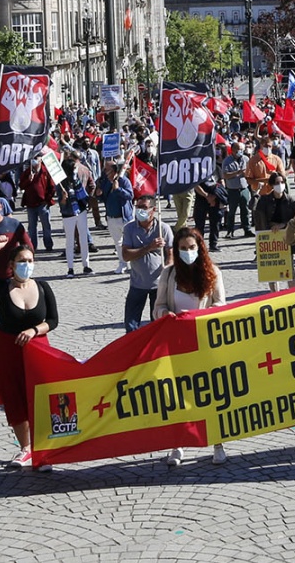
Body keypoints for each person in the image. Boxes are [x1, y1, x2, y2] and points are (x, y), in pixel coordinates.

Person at [0, 236, 56, 470]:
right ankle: (26, 448)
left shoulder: (42, 287)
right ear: (12, 264)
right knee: (14, 397)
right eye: (21, 261)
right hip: (6, 349)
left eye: (30, 260)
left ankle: (42, 448)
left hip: (37, 348)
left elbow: (53, 320)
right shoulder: (2, 287)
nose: (26, 265)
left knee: (39, 395)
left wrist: (33, 330)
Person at [153, 227, 230, 465]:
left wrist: (197, 316)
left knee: (211, 394)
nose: (188, 252)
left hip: (204, 343)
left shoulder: (213, 273)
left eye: (192, 248)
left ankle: (218, 442)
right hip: (177, 344)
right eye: (183, 249)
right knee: (179, 396)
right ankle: (177, 445)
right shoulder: (168, 275)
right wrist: (167, 314)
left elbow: (220, 305)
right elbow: (158, 307)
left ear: (200, 248)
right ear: (176, 250)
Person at [120, 195, 173, 331]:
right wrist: (149, 247)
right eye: (138, 207)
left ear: (153, 210)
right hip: (137, 284)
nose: (140, 211)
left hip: (158, 286)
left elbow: (171, 255)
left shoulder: (163, 228)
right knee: (131, 326)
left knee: (157, 326)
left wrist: (166, 274)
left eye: (144, 207)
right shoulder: (129, 229)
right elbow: (125, 256)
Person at [253, 172, 295, 290]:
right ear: (272, 185)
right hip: (270, 240)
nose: (280, 185)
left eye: (282, 182)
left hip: (285, 239)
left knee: (290, 270)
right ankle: (275, 296)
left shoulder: (291, 201)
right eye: (277, 183)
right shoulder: (264, 201)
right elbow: (259, 219)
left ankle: (294, 294)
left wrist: (283, 225)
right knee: (272, 273)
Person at [60, 172, 94, 276]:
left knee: (83, 239)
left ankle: (86, 265)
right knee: (70, 241)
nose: (75, 171)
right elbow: (61, 204)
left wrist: (88, 201)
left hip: (81, 211)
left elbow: (83, 194)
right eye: (73, 169)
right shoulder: (61, 184)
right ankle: (70, 268)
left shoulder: (77, 181)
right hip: (68, 214)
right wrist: (64, 198)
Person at [21, 162, 56, 250]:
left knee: (46, 225)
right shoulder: (27, 172)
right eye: (33, 158)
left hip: (43, 204)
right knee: (32, 227)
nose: (34, 160)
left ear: (40, 160)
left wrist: (47, 200)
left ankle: (48, 245)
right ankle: (33, 246)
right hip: (30, 204)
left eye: (37, 158)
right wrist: (28, 180)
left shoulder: (45, 171)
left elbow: (52, 187)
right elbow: (21, 185)